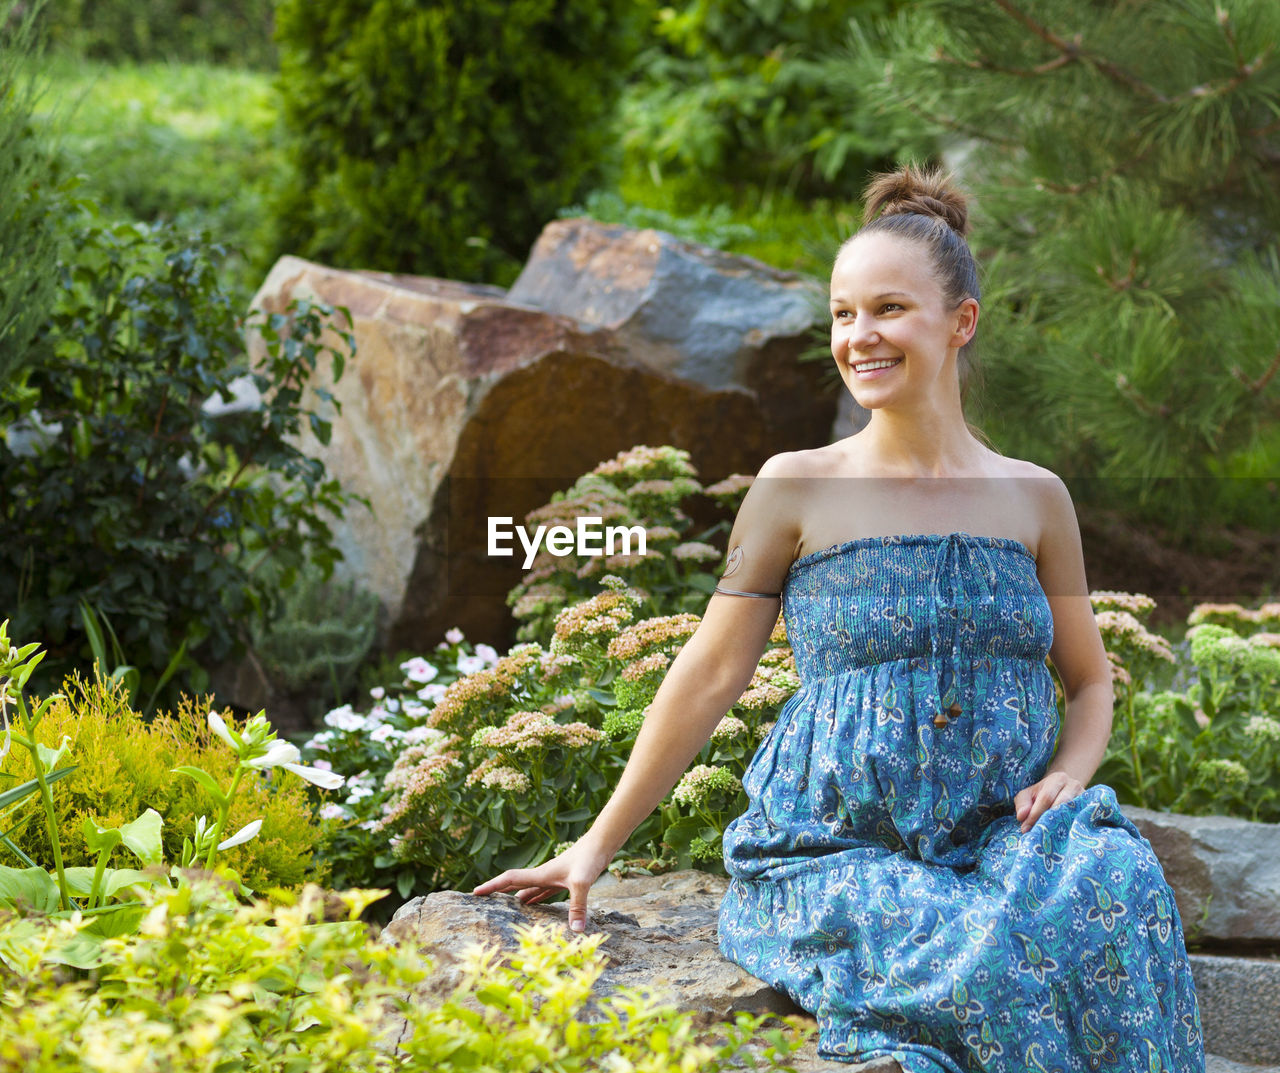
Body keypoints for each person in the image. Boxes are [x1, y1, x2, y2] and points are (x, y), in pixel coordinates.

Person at [473, 165, 1204, 1072]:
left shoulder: (1035, 498)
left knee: (1117, 884)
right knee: (979, 963)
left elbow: (1090, 681)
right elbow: (709, 670)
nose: (860, 336)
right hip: (837, 848)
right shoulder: (795, 488)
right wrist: (595, 843)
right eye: (842, 313)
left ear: (960, 321)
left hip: (1001, 837)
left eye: (889, 309)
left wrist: (1069, 773)